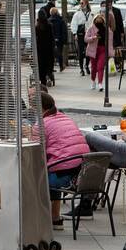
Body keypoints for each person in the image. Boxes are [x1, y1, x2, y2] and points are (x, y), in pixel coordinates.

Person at [40, 93, 90, 230]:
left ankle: (37, 220)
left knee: (36, 179)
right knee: (54, 168)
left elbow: (37, 151)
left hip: (65, 178)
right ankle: (55, 218)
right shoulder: (65, 118)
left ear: (39, 107)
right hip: (81, 175)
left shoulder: (42, 123)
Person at [83, 14, 112, 91]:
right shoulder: (91, 28)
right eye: (97, 19)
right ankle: (93, 81)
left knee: (100, 66)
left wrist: (111, 51)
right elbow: (85, 39)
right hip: (93, 50)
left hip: (103, 50)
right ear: (94, 20)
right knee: (94, 67)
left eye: (100, 19)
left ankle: (100, 83)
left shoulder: (106, 29)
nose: (99, 20)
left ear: (103, 20)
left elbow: (110, 40)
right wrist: (94, 37)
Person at [71, 0, 92, 76]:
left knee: (88, 50)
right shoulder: (77, 13)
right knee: (80, 51)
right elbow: (74, 24)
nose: (81, 5)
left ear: (86, 3)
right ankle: (81, 68)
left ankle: (86, 65)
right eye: (80, 3)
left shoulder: (91, 13)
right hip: (80, 33)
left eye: (82, 3)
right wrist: (74, 33)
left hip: (88, 33)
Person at [49, 7, 68, 73]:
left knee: (51, 54)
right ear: (57, 12)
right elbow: (64, 31)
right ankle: (61, 66)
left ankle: (51, 67)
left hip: (51, 40)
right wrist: (65, 41)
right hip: (59, 39)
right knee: (60, 52)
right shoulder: (61, 20)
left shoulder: (49, 21)